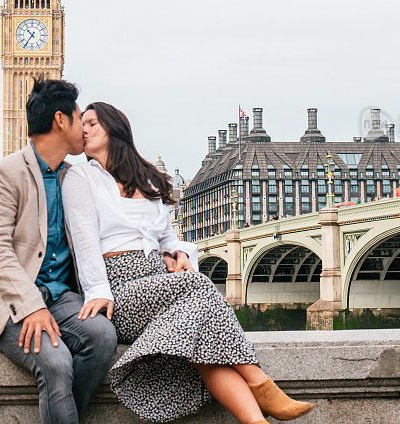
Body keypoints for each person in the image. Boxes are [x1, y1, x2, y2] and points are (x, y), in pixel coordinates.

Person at [62, 102, 314, 424]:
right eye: (81, 123)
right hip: (118, 288)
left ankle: (257, 421)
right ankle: (261, 384)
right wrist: (98, 290)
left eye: (92, 123)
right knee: (199, 284)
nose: (82, 129)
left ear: (115, 129)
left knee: (206, 345)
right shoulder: (80, 178)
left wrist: (179, 254)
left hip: (159, 280)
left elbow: (166, 238)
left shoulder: (149, 180)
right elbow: (84, 242)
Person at [0, 80, 117, 424]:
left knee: (101, 337)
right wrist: (31, 306)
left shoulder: (73, 177)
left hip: (61, 296)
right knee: (55, 363)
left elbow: (115, 227)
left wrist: (170, 250)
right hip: (9, 299)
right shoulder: (3, 173)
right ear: (60, 120)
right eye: (79, 115)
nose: (84, 125)